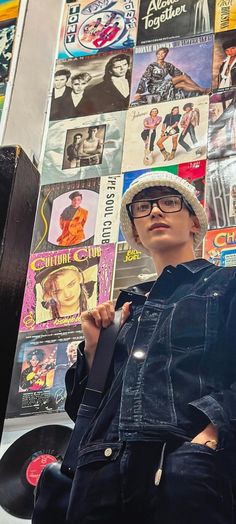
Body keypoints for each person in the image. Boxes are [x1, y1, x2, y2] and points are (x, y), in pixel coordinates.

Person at [65, 170, 236, 524]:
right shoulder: (121, 312)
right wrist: (95, 352)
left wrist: (211, 432)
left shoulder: (226, 284)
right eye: (143, 208)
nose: (155, 212)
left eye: (169, 202)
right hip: (99, 480)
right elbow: (81, 411)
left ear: (193, 220)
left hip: (184, 469)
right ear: (136, 234)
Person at [134, 47, 209, 105]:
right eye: (159, 53)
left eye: (163, 53)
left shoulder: (168, 65)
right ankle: (202, 89)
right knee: (184, 77)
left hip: (165, 85)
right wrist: (138, 92)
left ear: (165, 55)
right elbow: (145, 78)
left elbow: (177, 73)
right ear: (156, 55)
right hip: (155, 87)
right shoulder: (152, 66)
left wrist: (185, 75)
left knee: (182, 84)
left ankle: (200, 92)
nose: (161, 55)